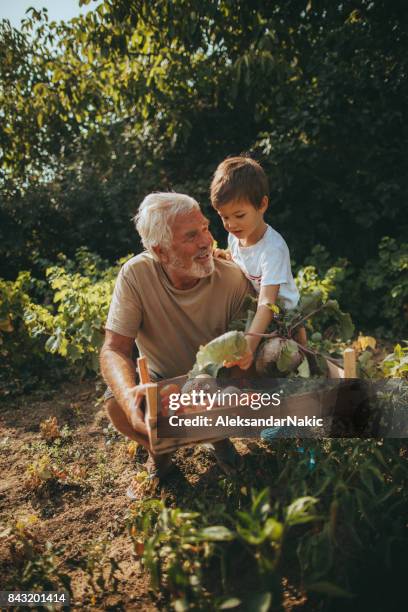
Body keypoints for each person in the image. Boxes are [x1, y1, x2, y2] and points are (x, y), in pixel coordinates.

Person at [99, 192, 252, 484]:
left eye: (206, 228)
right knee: (116, 404)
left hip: (213, 383)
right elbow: (114, 348)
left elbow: (249, 349)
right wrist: (132, 399)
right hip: (161, 382)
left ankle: (218, 438)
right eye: (191, 236)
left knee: (241, 387)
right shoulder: (136, 275)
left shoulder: (232, 279)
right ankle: (161, 453)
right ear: (161, 251)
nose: (207, 241)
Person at [210, 155, 305, 371]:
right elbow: (242, 263)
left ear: (262, 205)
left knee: (280, 362)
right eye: (224, 217)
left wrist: (249, 345)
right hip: (259, 316)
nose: (231, 224)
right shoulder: (235, 237)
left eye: (239, 215)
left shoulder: (272, 249)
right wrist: (226, 256)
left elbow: (268, 304)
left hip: (285, 319)